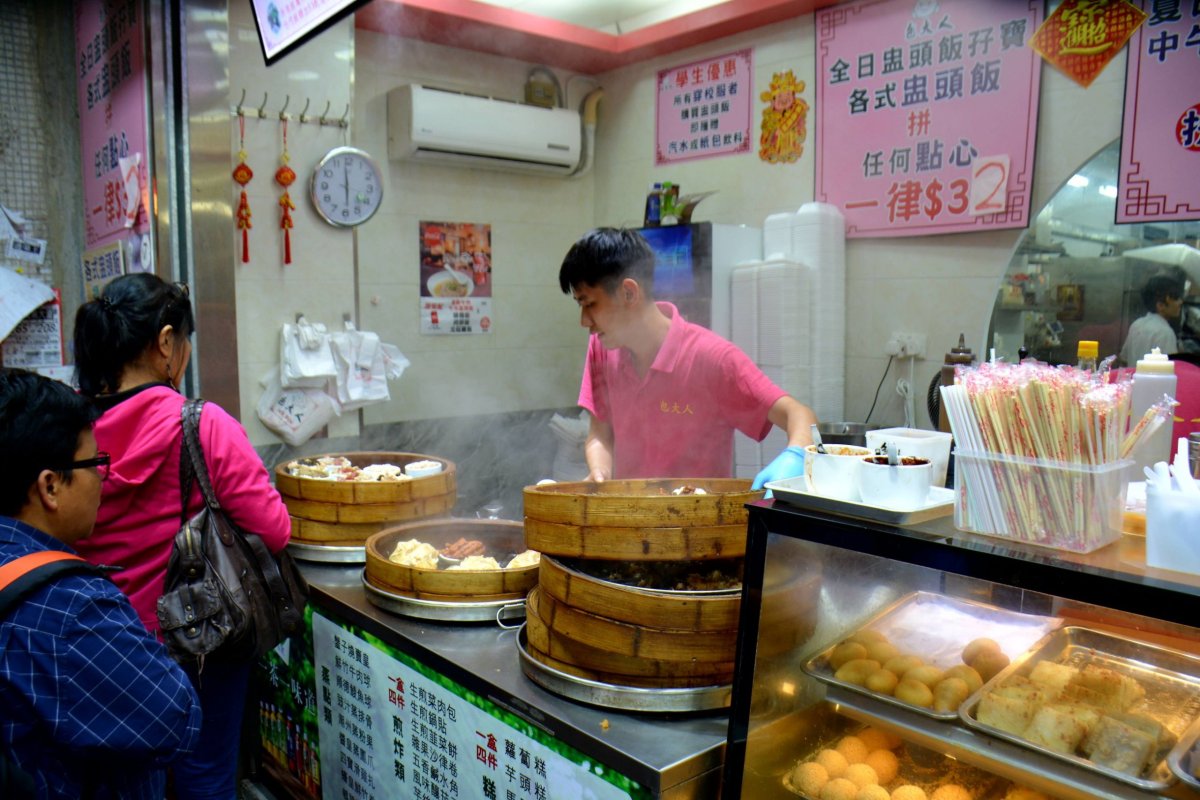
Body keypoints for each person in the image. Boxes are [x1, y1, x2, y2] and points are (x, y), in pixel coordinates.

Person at [72, 274, 292, 800]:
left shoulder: (68, 429)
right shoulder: (201, 424)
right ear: (166, 342)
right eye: (185, 341)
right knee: (205, 778)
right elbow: (274, 530)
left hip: (102, 644)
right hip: (199, 641)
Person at [0, 368, 201, 799]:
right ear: (50, 486)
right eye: (95, 463)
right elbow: (174, 719)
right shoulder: (69, 610)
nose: (103, 479)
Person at [558, 227, 817, 488]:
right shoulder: (602, 348)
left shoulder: (712, 358)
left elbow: (799, 414)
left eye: (589, 304)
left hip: (698, 522)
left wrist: (795, 456)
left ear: (629, 293)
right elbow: (600, 433)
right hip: (630, 520)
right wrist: (600, 474)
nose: (584, 321)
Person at [1121, 274, 1186, 365]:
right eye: (1175, 298)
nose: (1180, 302)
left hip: (1134, 378)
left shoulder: (1137, 324)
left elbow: (1124, 359)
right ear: (1160, 306)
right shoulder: (1165, 333)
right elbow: (1170, 368)